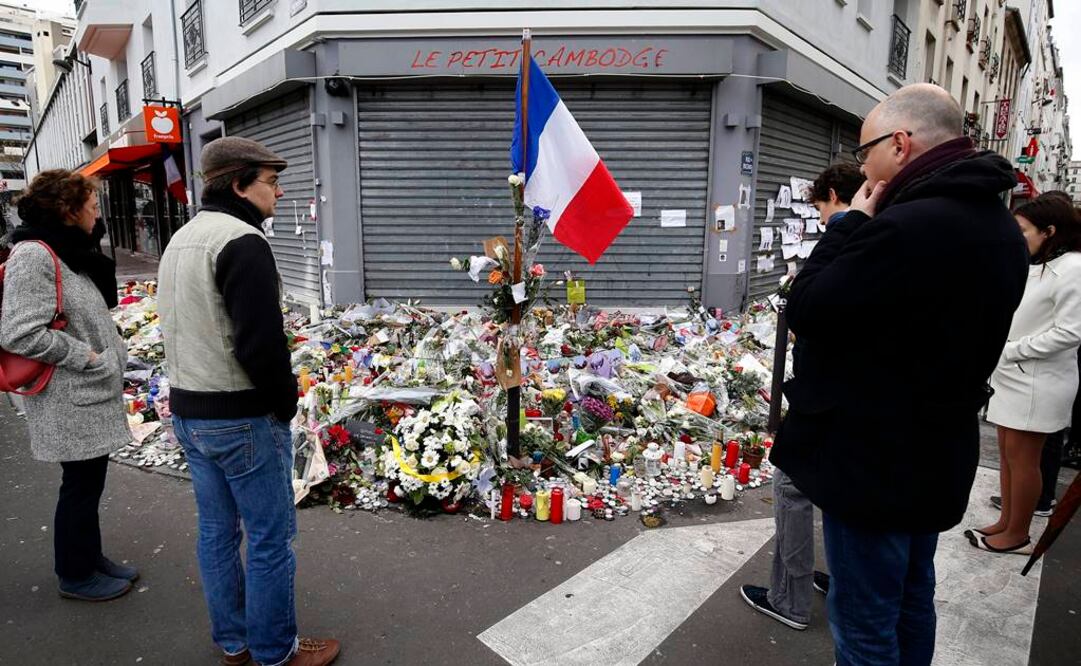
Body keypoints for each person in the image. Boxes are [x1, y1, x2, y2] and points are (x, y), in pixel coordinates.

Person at [769, 83, 1028, 666]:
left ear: (901, 144)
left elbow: (807, 308)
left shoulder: (905, 227)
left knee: (864, 624)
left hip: (873, 460)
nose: (863, 166)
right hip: (936, 450)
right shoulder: (999, 227)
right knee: (912, 600)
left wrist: (847, 227)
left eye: (866, 152)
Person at [158, 137, 340, 666]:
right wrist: (283, 405)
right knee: (269, 539)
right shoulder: (242, 242)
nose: (279, 193)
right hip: (240, 416)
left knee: (217, 532)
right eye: (271, 182)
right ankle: (274, 650)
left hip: (191, 412)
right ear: (238, 184)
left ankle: (234, 641)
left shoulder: (182, 239)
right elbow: (260, 343)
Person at [1, 170, 136, 601]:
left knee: (87, 482)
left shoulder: (65, 251)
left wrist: (114, 346)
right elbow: (20, 332)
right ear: (67, 209)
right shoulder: (34, 255)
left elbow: (78, 312)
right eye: (91, 205)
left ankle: (89, 557)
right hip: (68, 396)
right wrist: (88, 357)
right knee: (79, 486)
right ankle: (75, 575)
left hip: (84, 393)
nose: (97, 212)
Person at [740, 161, 863, 631]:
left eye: (818, 206)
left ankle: (788, 599)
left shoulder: (847, 237)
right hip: (854, 396)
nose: (818, 217)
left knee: (791, 487)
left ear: (832, 195)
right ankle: (841, 579)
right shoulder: (886, 236)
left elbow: (807, 308)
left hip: (826, 393)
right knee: (837, 488)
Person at [972, 195, 1081, 554]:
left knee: (1024, 458)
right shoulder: (1038, 263)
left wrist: (1013, 350)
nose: (1018, 237)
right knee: (1007, 453)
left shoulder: (1074, 268)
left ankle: (1018, 533)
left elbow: (1070, 331)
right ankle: (1006, 522)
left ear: (1050, 231)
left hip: (1037, 378)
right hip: (1013, 374)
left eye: (1023, 231)